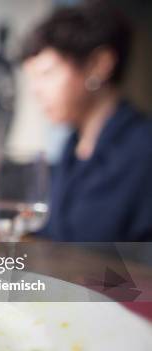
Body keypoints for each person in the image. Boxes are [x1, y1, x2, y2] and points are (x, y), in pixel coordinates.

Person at [21, 1, 152, 241]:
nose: (35, 91)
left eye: (46, 74)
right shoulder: (71, 148)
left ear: (99, 65)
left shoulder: (144, 149)